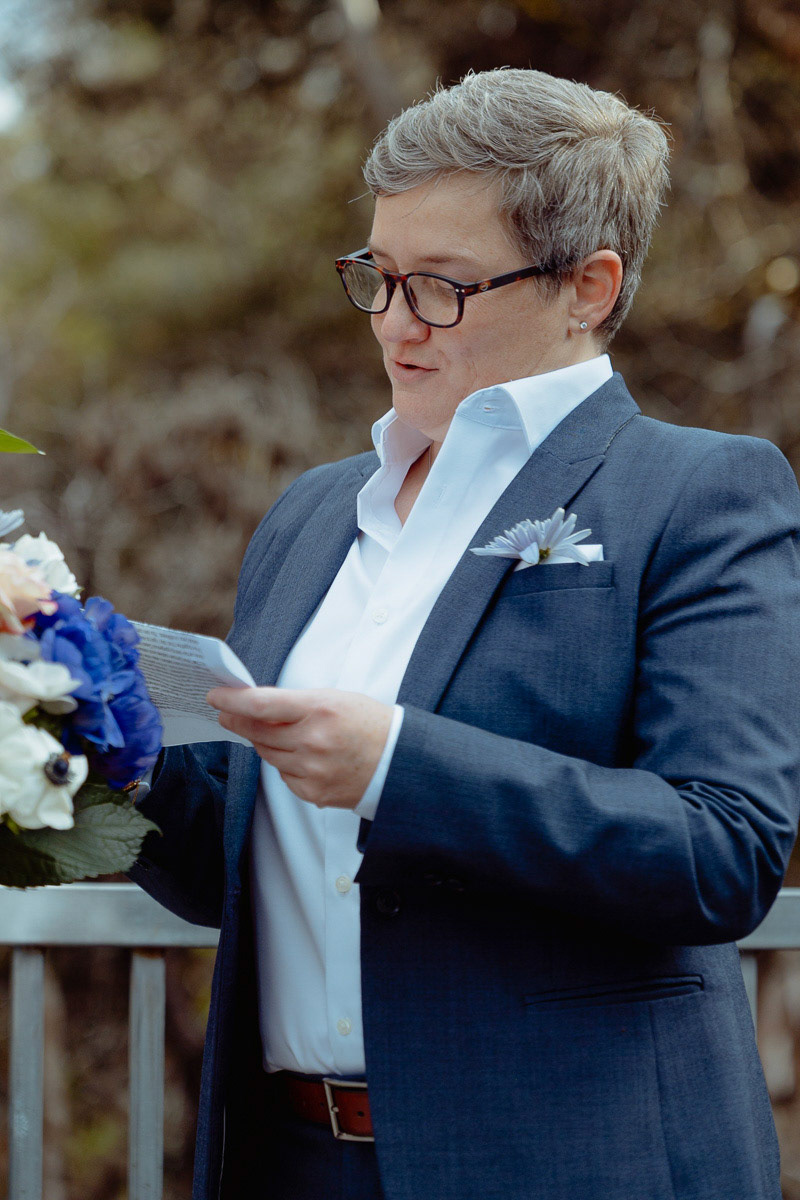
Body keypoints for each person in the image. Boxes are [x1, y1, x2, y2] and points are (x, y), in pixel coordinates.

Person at [129, 68, 800, 1200]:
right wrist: (85, 719)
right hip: (288, 1161)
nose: (395, 323)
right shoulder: (310, 512)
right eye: (378, 276)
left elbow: (720, 852)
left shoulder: (701, 492)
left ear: (587, 286)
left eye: (440, 286)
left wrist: (399, 767)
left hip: (570, 1164)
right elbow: (233, 872)